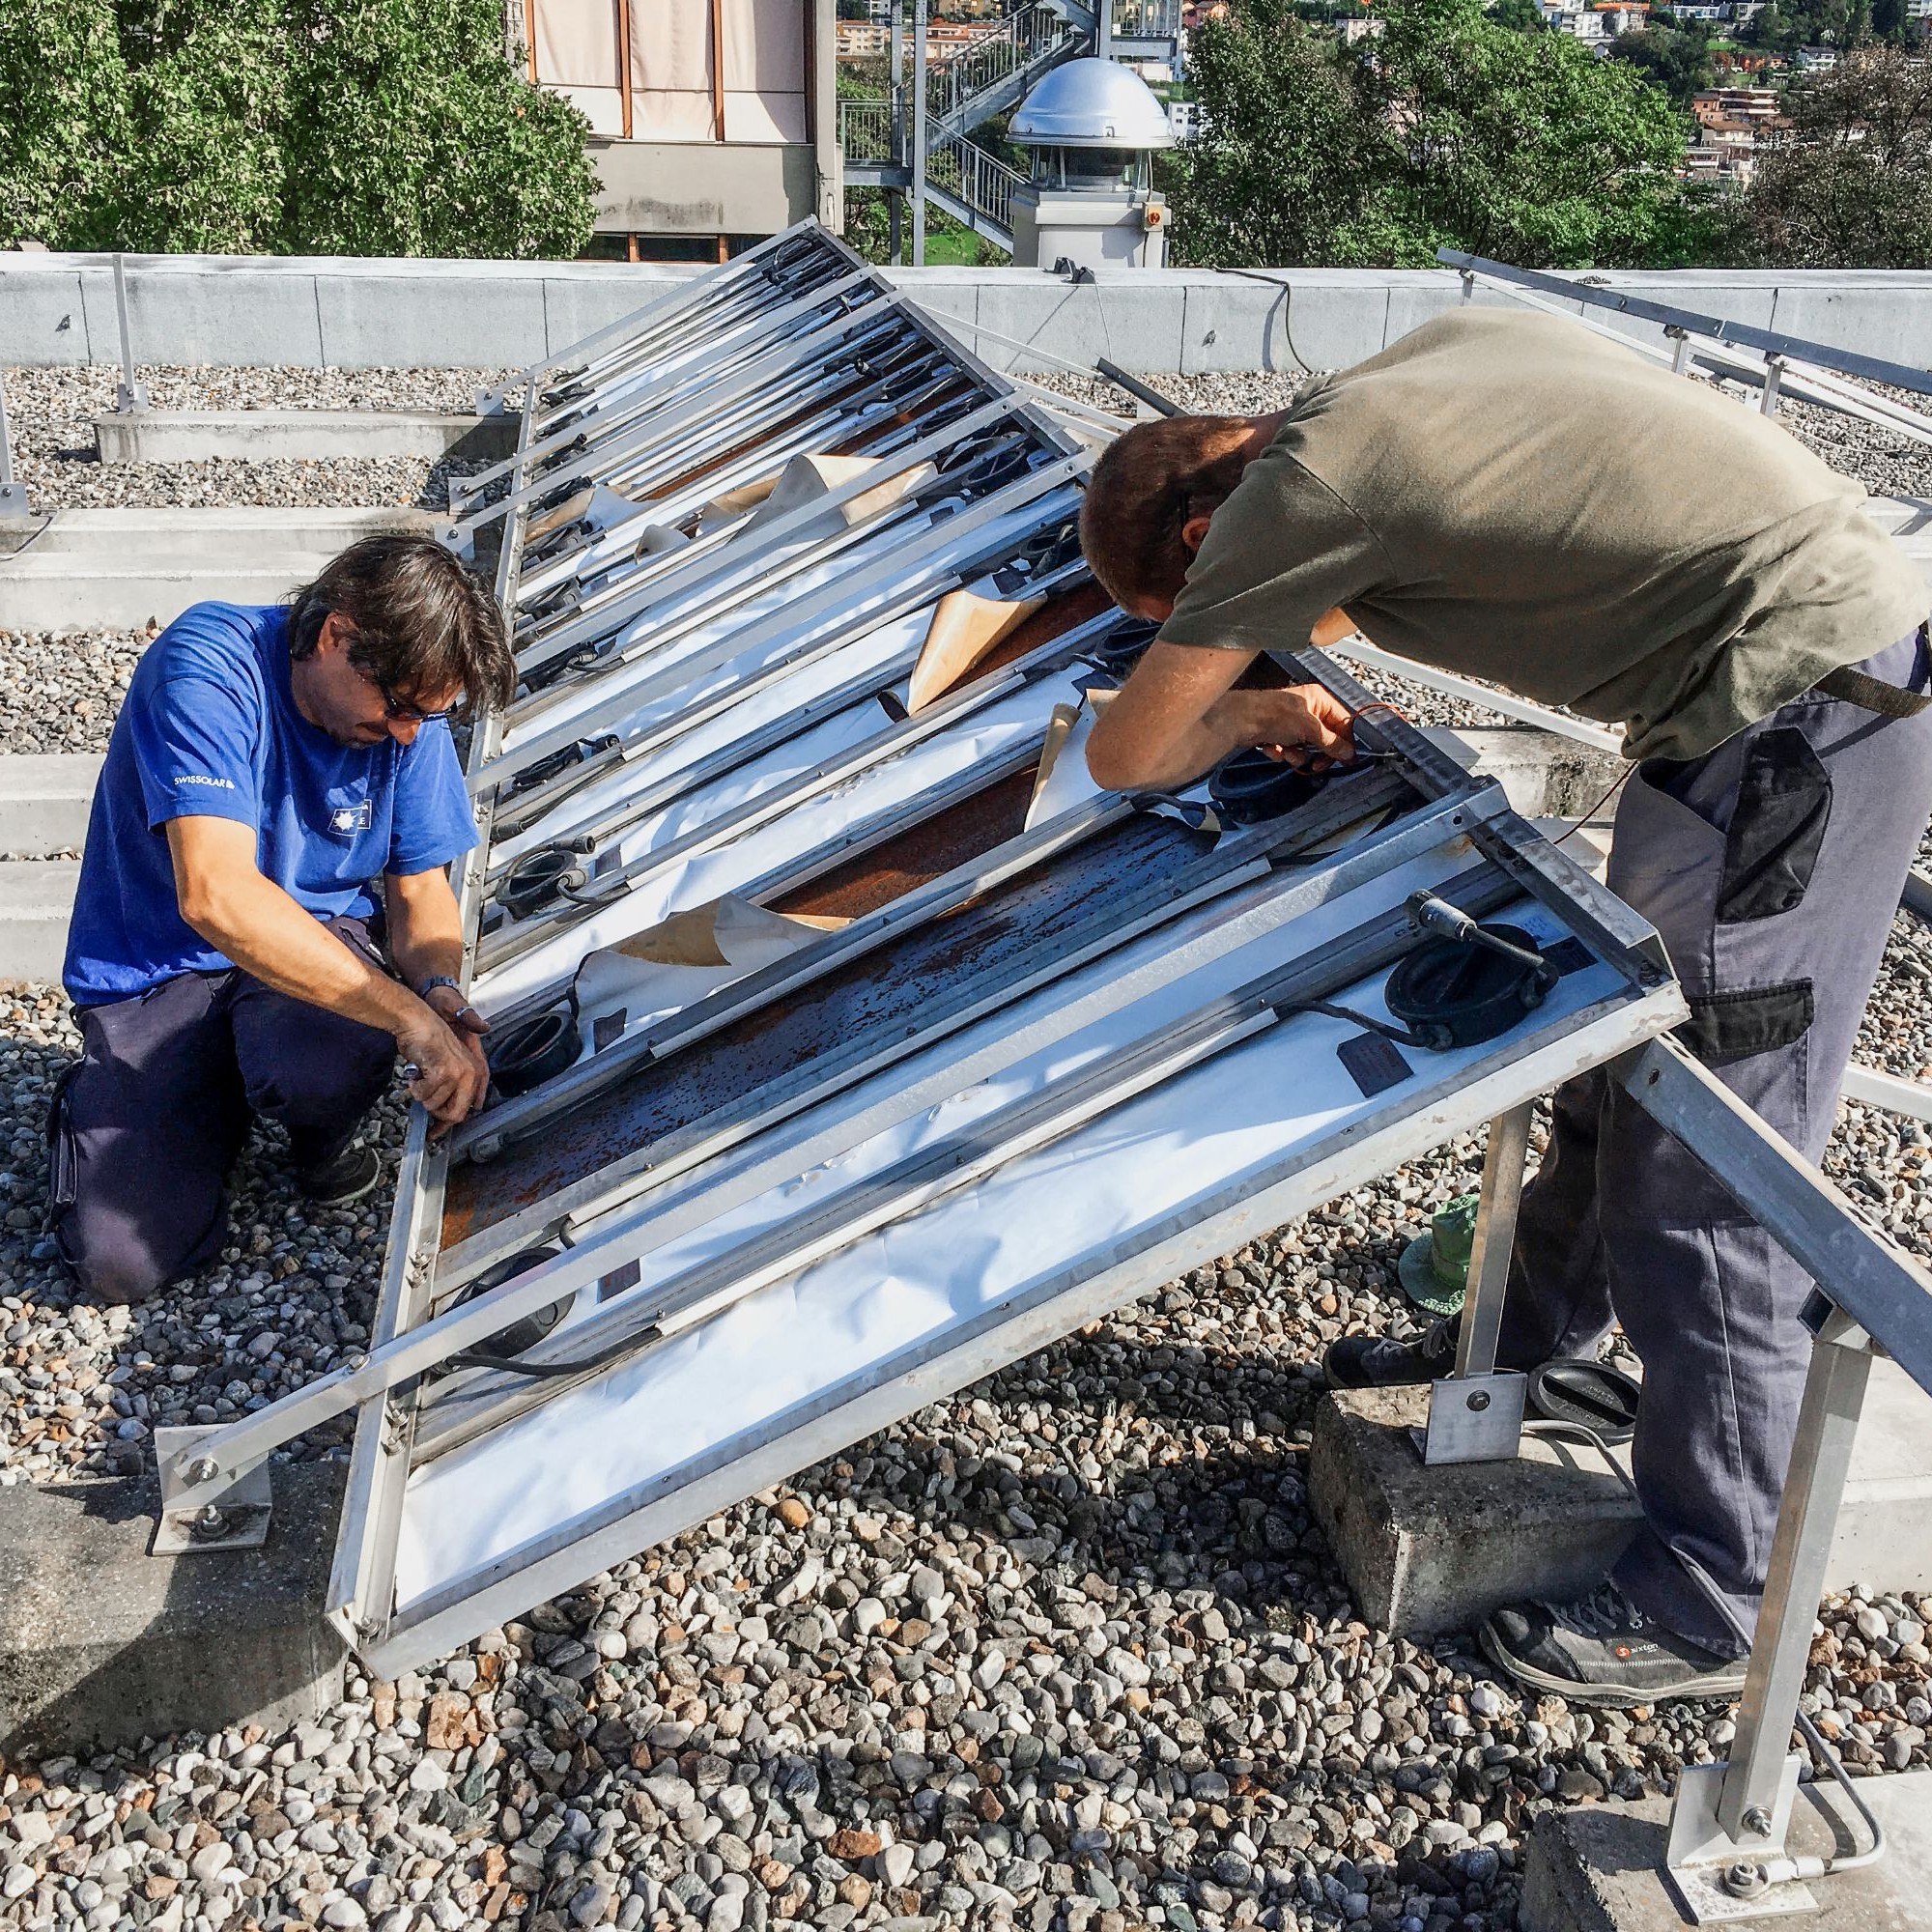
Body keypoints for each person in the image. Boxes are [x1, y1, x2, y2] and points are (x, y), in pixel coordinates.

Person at [1078, 306, 1932, 1707]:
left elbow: (1129, 750)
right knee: (1616, 1057)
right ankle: (1538, 1350)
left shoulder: (1306, 493)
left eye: (1197, 612)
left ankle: (1715, 1594)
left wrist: (1236, 713)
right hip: (1778, 689)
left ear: (1196, 545)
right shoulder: (1389, 376)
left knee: (1707, 1157)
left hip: (1792, 732)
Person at [49, 532, 518, 1307]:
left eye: (428, 718)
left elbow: (418, 886)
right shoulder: (208, 667)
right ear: (335, 634)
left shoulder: (412, 716)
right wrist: (403, 1013)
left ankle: (318, 1140)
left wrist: (438, 993)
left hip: (314, 946)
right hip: (161, 969)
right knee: (119, 1265)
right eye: (399, 707)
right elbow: (217, 897)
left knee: (321, 1057)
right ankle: (162, 1100)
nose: (408, 732)